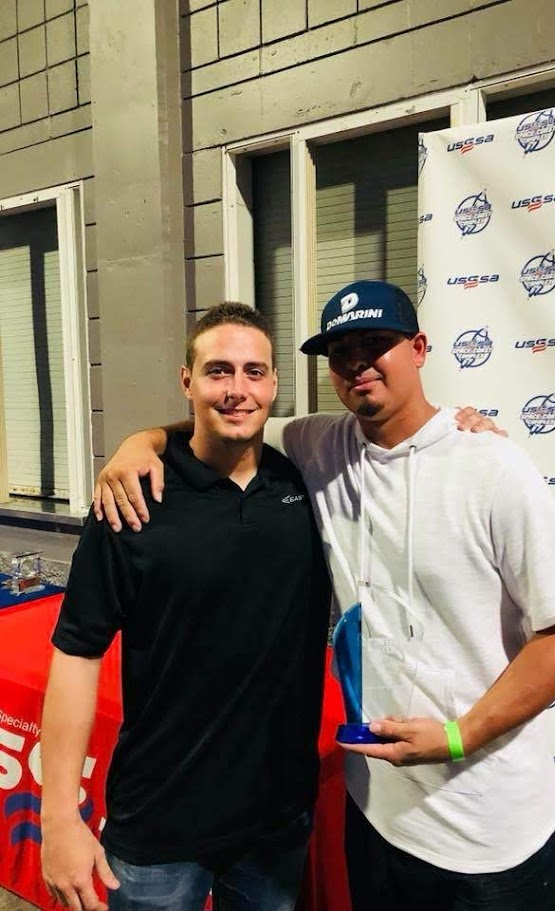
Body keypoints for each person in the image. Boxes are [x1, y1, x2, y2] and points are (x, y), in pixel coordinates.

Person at [94, 280, 555, 911]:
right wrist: (139, 442)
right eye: (342, 352)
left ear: (419, 349)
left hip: (488, 834)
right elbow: (225, 417)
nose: (359, 363)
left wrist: (459, 736)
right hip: (377, 819)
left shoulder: (491, 467)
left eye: (377, 343)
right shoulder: (319, 445)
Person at [40, 304, 331, 911]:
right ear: (187, 381)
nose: (237, 389)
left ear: (274, 384)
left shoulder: (305, 482)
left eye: (254, 372)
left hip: (275, 821)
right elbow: (77, 654)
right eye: (218, 371)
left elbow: (397, 441)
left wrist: (464, 429)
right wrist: (58, 816)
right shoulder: (133, 497)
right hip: (158, 824)